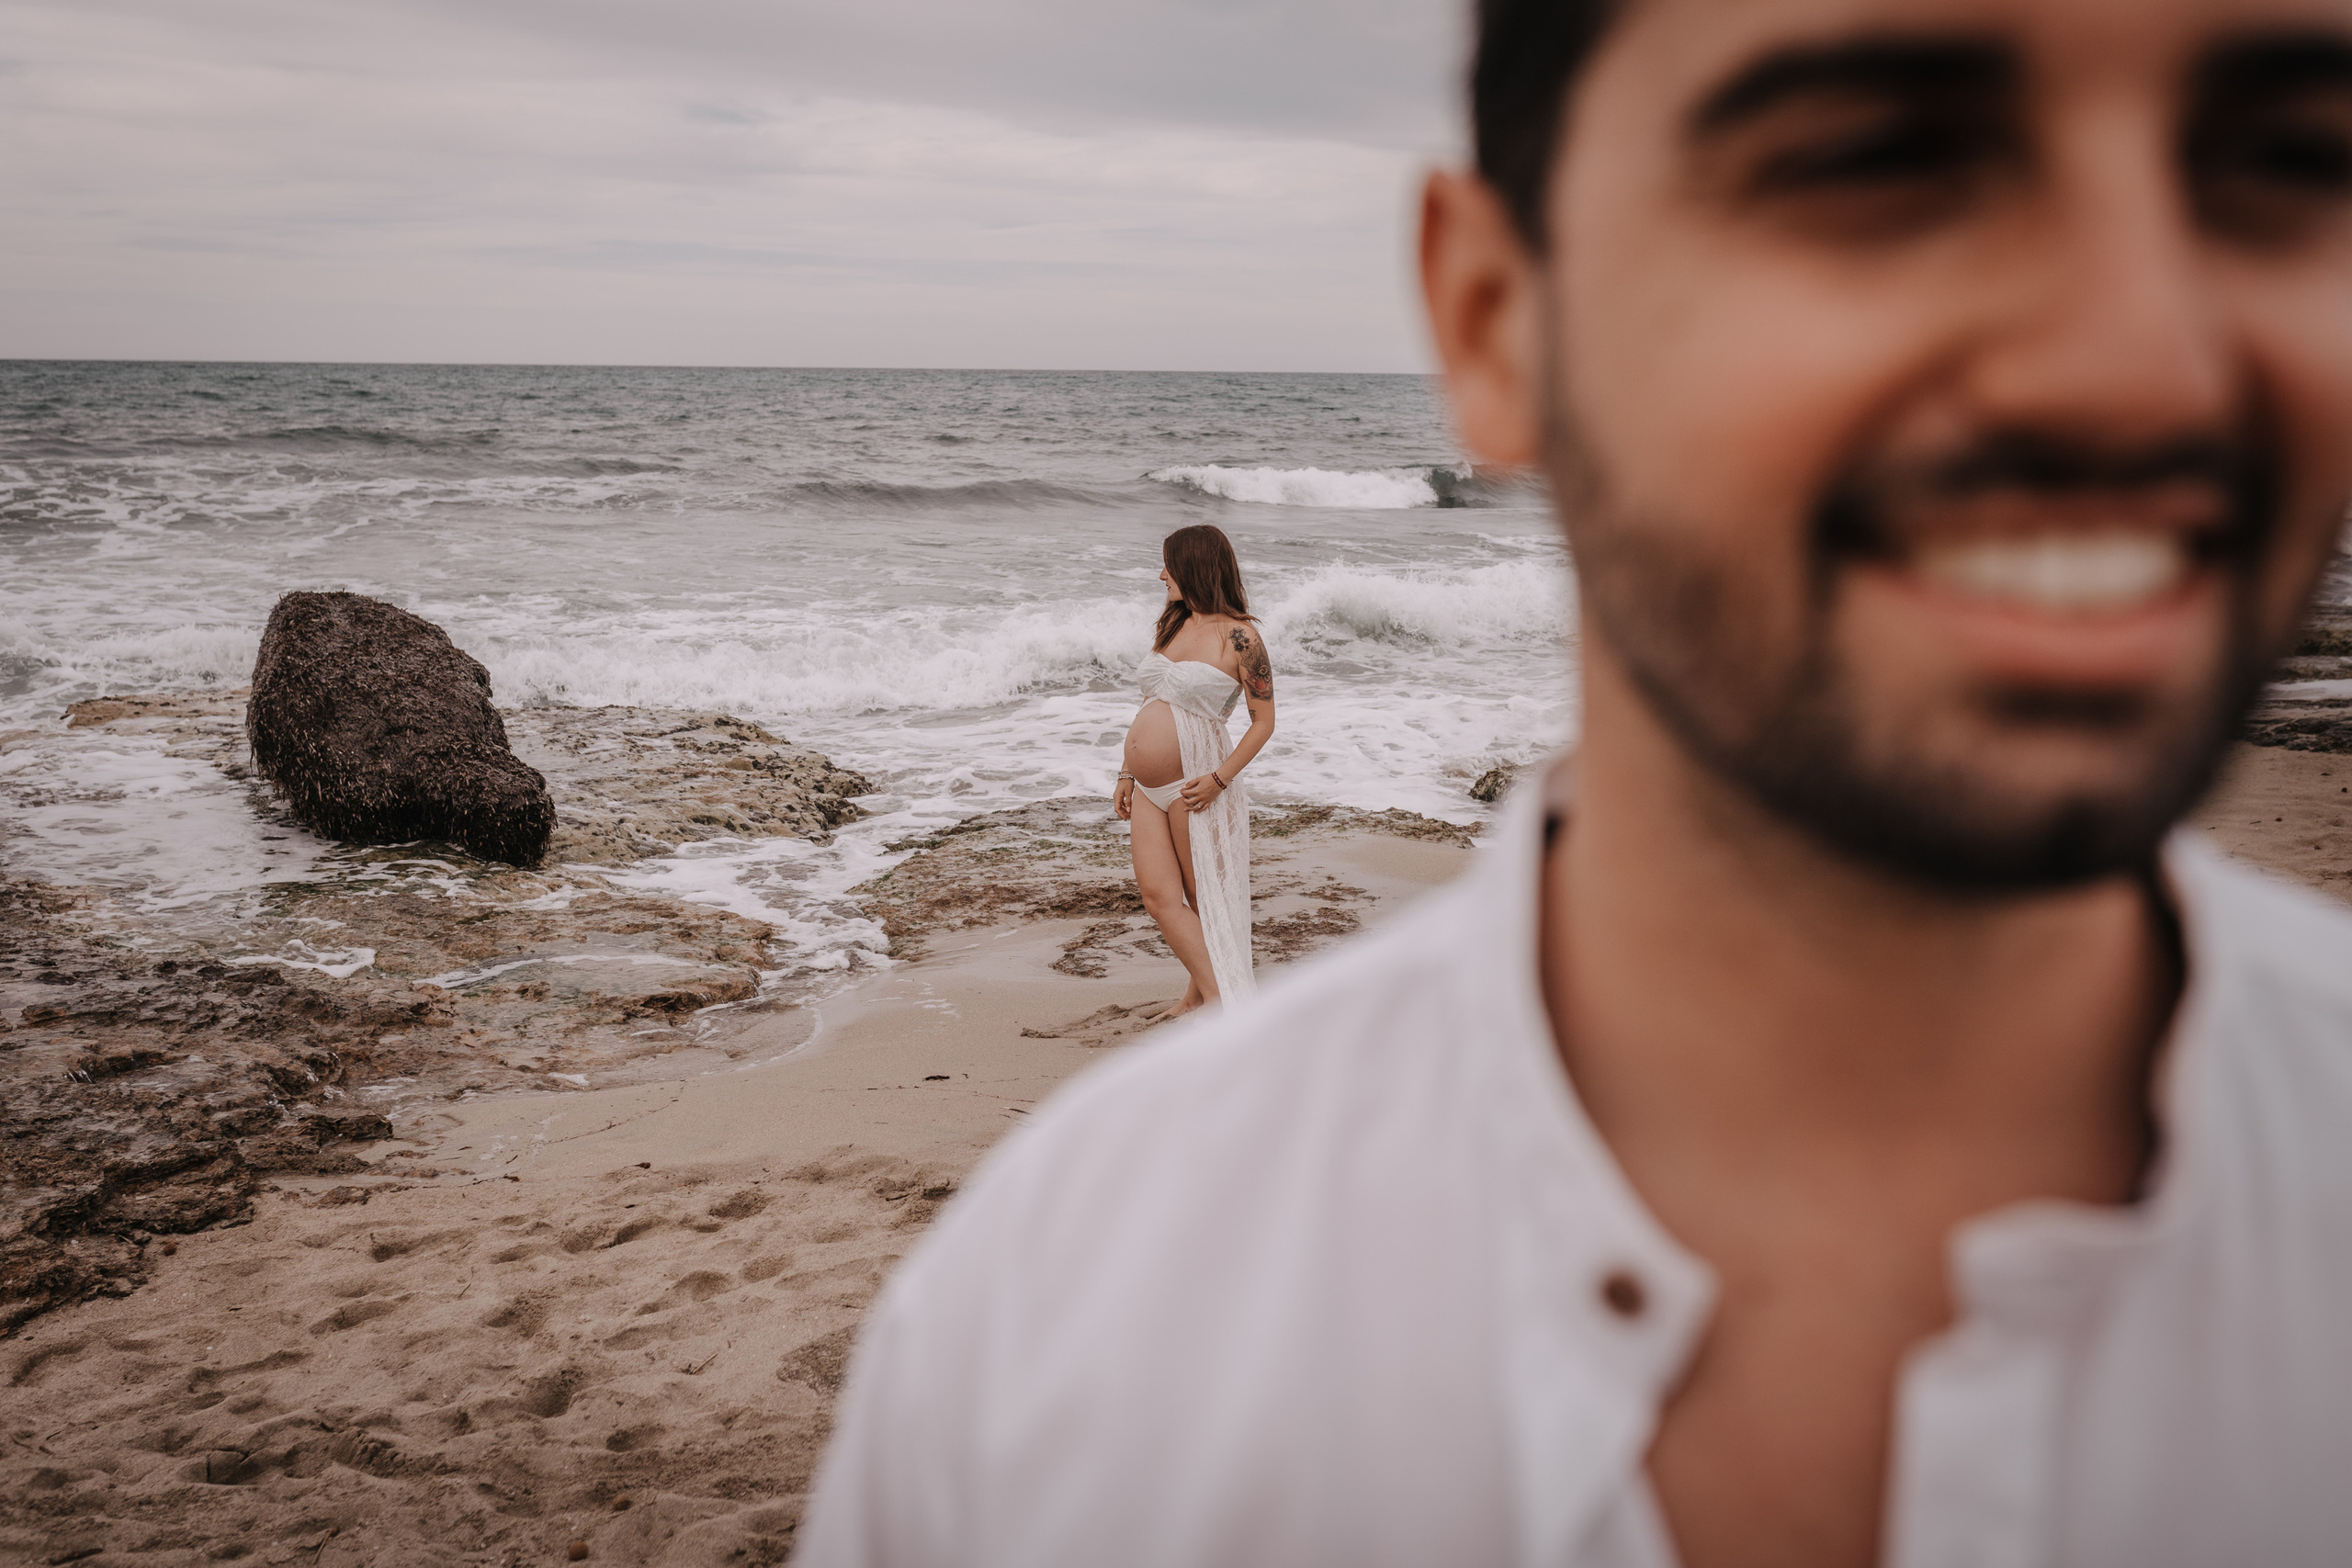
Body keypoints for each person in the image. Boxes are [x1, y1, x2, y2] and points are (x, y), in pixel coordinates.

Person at [798, 0, 2352, 1562]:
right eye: (1883, 161)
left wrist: (1215, 777)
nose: (2146, 366)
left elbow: (1260, 711)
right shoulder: (1048, 1351)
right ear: (1495, 318)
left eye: (2294, 163)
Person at [1113, 525, 1276, 1014]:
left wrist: (1219, 779)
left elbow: (1263, 722)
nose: (1161, 573)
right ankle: (1207, 992)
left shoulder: (1242, 636)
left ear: (1194, 566)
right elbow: (1153, 698)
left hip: (1197, 782)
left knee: (1205, 897)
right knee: (1160, 897)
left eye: (1169, 564)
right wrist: (1125, 771)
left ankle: (1216, 999)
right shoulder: (1174, 623)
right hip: (1146, 786)